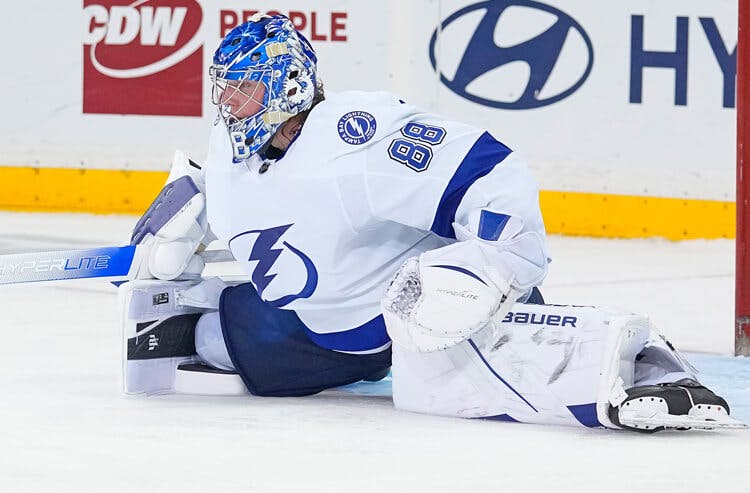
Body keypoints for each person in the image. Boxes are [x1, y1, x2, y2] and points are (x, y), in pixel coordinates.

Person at [120, 14, 744, 432]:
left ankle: (645, 368)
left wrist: (483, 266)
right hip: (310, 327)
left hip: (409, 313)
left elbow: (493, 173)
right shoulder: (231, 144)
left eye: (244, 93)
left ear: (287, 84)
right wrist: (188, 204)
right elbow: (246, 194)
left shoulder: (355, 139)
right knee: (217, 342)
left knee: (471, 377)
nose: (230, 109)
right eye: (223, 93)